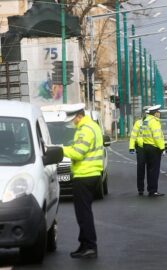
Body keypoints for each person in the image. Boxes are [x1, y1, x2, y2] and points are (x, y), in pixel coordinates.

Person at [62, 103, 103, 259]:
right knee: (84, 212)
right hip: (91, 174)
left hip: (84, 175)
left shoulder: (85, 130)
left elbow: (78, 153)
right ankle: (84, 244)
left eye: (73, 119)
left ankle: (90, 246)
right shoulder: (91, 126)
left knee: (83, 214)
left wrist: (60, 149)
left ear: (78, 116)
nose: (72, 122)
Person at [141, 104, 165, 197]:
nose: (159, 113)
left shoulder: (146, 121)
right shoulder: (154, 122)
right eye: (158, 112)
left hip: (146, 147)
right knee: (154, 170)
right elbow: (157, 137)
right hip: (154, 148)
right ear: (155, 113)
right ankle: (153, 190)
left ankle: (150, 189)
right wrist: (162, 147)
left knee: (149, 170)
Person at [129, 106, 150, 196]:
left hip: (150, 147)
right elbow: (133, 136)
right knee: (140, 168)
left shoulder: (153, 123)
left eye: (148, 112)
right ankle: (140, 189)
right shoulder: (138, 123)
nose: (146, 114)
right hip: (141, 148)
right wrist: (131, 147)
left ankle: (151, 188)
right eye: (145, 112)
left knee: (150, 169)